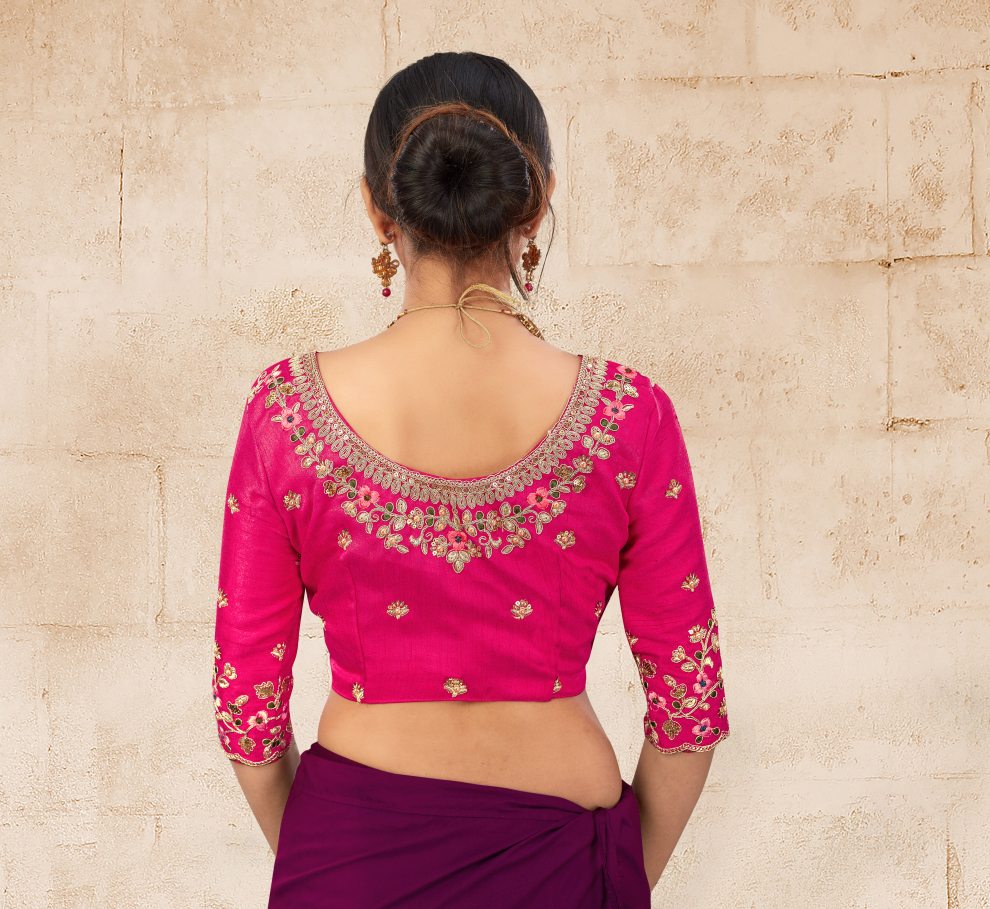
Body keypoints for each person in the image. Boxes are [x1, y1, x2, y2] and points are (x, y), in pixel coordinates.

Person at [211, 50, 730, 908]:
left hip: (350, 859)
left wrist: (327, 862)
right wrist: (612, 876)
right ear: (538, 199)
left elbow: (246, 712)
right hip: (568, 855)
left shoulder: (285, 412)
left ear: (379, 209)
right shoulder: (630, 416)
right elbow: (690, 712)